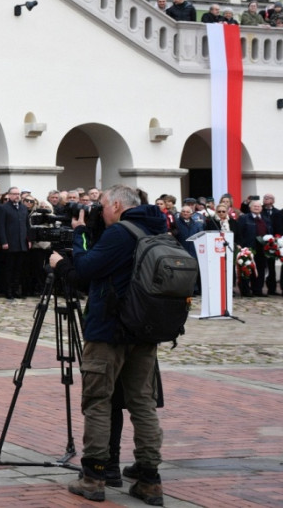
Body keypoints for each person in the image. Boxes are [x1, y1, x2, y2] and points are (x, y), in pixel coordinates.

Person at [48, 185, 166, 505]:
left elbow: (85, 269)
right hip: (145, 329)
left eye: (102, 205)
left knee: (98, 400)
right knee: (142, 402)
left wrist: (76, 240)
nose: (101, 211)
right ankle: (149, 477)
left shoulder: (120, 234)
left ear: (116, 204)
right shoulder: (158, 228)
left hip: (109, 330)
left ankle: (94, 475)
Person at [0, 186, 30, 300]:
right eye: (14, 194)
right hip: (10, 243)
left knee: (18, 269)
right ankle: (8, 291)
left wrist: (28, 240)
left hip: (21, 243)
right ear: (9, 195)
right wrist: (4, 241)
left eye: (18, 194)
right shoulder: (3, 208)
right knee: (9, 269)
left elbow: (26, 225)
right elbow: (0, 226)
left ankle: (16, 290)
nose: (17, 196)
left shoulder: (23, 208)